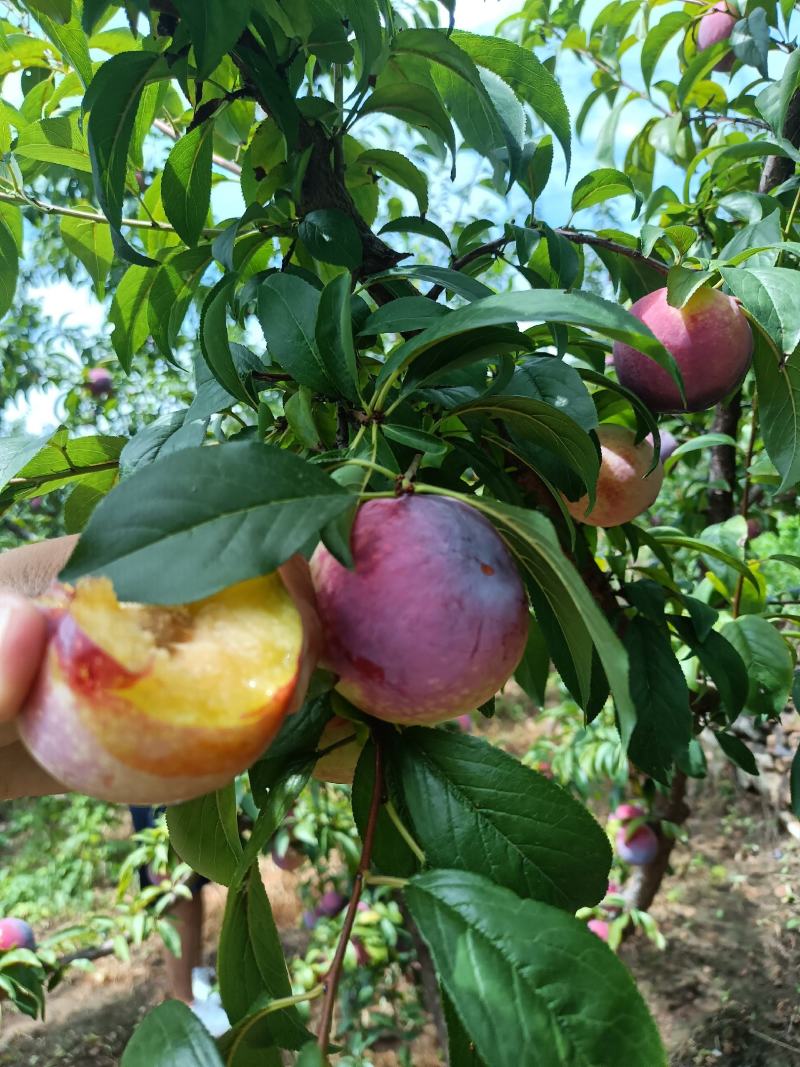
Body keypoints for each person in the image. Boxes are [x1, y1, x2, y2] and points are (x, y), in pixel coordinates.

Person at [0, 536, 227, 1033]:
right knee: (175, 887)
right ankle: (185, 997)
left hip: (172, 743)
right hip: (154, 754)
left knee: (190, 884)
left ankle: (190, 986)